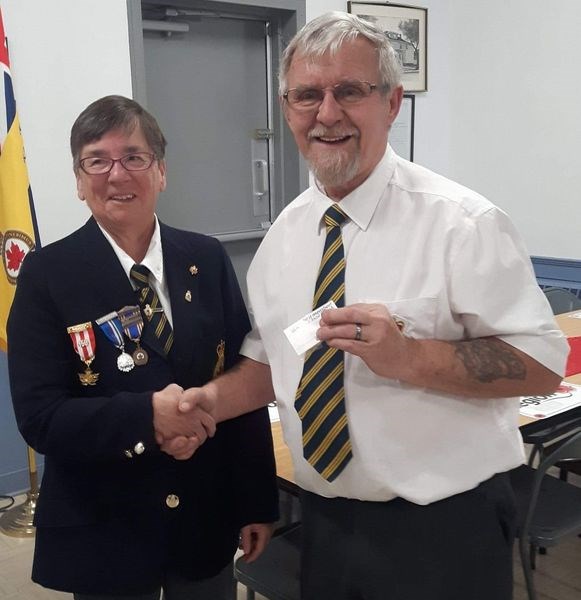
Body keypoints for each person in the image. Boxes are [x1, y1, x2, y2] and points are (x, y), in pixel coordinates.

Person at [164, 11, 570, 600]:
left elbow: (540, 363)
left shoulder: (463, 223)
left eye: (349, 91)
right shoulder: (284, 236)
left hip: (445, 529)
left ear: (393, 103)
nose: (326, 114)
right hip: (326, 523)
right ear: (286, 108)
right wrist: (208, 402)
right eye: (307, 95)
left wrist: (411, 356)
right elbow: (272, 360)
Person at [7, 95, 278, 600]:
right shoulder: (47, 275)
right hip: (107, 525)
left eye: (134, 157)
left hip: (205, 515)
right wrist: (146, 420)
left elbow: (244, 379)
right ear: (79, 179)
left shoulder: (206, 256)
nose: (117, 174)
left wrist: (256, 499)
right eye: (97, 160)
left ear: (161, 172)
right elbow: (40, 417)